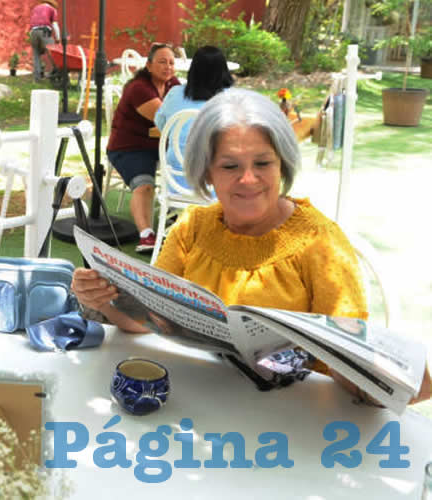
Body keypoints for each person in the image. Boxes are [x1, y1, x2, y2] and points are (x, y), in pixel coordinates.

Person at [75, 88, 432, 404]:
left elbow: (346, 360)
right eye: (230, 166)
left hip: (296, 419)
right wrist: (102, 301)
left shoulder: (318, 241)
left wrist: (386, 381)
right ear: (207, 173)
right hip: (203, 403)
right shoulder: (193, 228)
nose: (249, 179)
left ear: (283, 166)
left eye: (263, 163)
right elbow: (150, 321)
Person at [106, 43, 180, 253]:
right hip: (129, 147)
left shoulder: (173, 84)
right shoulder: (138, 88)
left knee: (185, 167)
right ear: (148, 65)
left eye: (172, 63)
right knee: (144, 185)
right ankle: (146, 235)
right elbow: (166, 120)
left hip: (158, 145)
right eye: (162, 62)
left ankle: (174, 222)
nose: (168, 67)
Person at [154, 45, 233, 192]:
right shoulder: (232, 99)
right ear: (223, 71)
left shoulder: (175, 93)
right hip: (213, 186)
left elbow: (161, 124)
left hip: (175, 181)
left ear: (193, 69)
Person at [28, 0, 61, 82]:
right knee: (54, 53)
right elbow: (55, 25)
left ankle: (37, 78)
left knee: (36, 54)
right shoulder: (52, 9)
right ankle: (57, 73)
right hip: (44, 31)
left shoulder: (36, 8)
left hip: (33, 32)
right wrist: (58, 38)